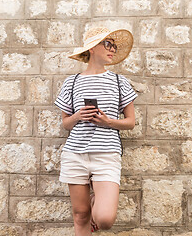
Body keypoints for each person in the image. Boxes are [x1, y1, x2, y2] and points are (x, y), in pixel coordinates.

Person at [54, 26, 137, 235]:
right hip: (75, 153)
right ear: (92, 48)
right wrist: (78, 116)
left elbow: (130, 122)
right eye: (108, 44)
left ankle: (94, 200)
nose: (113, 50)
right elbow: (66, 124)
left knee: (104, 219)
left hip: (106, 153)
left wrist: (108, 121)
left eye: (114, 46)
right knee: (80, 215)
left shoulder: (120, 82)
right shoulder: (71, 82)